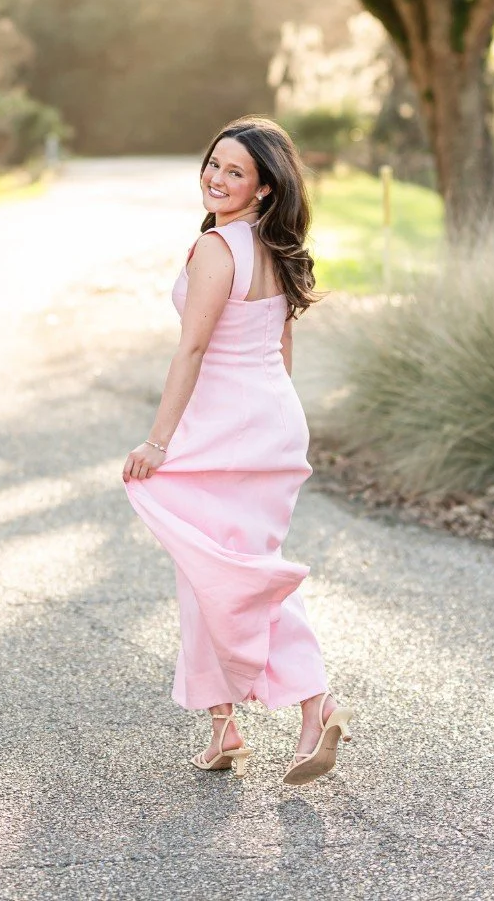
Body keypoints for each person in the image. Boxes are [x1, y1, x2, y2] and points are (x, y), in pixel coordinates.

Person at [123, 116, 354, 785]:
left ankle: (315, 705)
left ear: (262, 189)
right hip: (272, 420)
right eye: (213, 164)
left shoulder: (217, 250)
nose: (216, 179)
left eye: (234, 173)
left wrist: (157, 440)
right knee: (225, 568)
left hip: (222, 429)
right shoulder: (277, 250)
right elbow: (281, 347)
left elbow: (192, 349)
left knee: (231, 573)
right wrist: (271, 416)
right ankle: (225, 723)